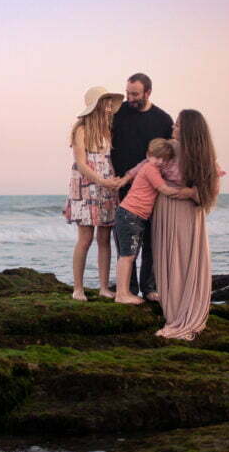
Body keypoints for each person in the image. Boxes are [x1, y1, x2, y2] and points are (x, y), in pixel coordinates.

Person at [152, 109, 222, 340]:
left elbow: (209, 192)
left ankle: (182, 314)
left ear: (190, 129)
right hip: (166, 208)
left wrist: (189, 192)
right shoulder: (170, 149)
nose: (173, 128)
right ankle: (173, 309)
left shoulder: (201, 155)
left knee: (183, 258)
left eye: (178, 125)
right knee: (169, 258)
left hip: (187, 212)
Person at [111, 73, 173, 301]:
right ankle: (127, 290)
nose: (129, 98)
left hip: (152, 189)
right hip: (123, 186)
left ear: (148, 92)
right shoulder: (119, 113)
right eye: (127, 92)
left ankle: (150, 289)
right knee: (126, 244)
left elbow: (171, 155)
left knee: (152, 241)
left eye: (135, 94)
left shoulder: (163, 120)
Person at [63, 86, 124, 301]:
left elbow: (110, 160)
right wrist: (102, 181)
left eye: (109, 102)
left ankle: (104, 287)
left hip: (107, 186)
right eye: (105, 102)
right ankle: (77, 289)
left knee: (105, 238)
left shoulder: (110, 129)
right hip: (85, 186)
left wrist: (114, 181)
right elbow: (81, 163)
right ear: (95, 105)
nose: (109, 106)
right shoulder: (81, 129)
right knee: (85, 238)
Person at [114, 139, 182, 305]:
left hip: (134, 216)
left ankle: (126, 292)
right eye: (156, 157)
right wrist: (188, 193)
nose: (159, 161)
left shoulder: (152, 168)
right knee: (127, 256)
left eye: (163, 159)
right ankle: (121, 294)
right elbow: (163, 189)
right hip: (129, 215)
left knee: (130, 255)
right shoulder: (150, 169)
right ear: (148, 156)